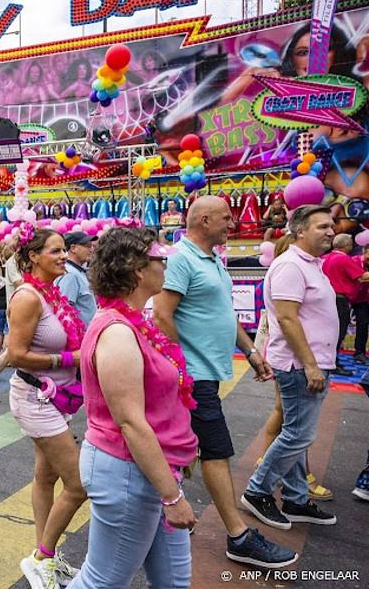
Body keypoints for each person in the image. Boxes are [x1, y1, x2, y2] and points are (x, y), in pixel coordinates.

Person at [152, 195, 296, 568]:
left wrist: (250, 351)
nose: (232, 224)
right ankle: (238, 536)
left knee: (182, 447)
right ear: (203, 222)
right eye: (226, 218)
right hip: (193, 378)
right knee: (216, 449)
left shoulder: (213, 258)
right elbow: (163, 316)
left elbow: (223, 314)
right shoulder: (181, 259)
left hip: (207, 373)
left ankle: (161, 514)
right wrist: (180, 367)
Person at [68, 227, 198, 588]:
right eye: (160, 259)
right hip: (126, 471)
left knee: (174, 579)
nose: (166, 266)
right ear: (137, 268)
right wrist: (171, 497)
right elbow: (130, 422)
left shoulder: (135, 324)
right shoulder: (117, 332)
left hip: (152, 466)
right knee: (104, 580)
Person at [241, 205, 339, 530]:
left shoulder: (311, 265)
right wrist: (310, 365)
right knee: (299, 434)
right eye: (322, 226)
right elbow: (286, 317)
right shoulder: (291, 267)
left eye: (331, 225)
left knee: (296, 433)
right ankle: (257, 491)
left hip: (310, 363)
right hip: (300, 365)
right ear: (299, 231)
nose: (330, 230)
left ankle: (296, 498)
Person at [6, 228, 87, 588]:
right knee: (78, 484)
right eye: (55, 250)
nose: (63, 255)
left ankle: (46, 559)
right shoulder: (27, 298)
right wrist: (69, 357)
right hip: (35, 398)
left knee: (46, 477)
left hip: (57, 398)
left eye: (64, 250)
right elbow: (16, 356)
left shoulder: (51, 293)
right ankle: (41, 557)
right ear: (34, 256)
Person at [321, 234, 369, 376]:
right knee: (338, 332)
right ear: (347, 246)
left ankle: (329, 361)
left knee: (329, 331)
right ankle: (332, 363)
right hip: (339, 299)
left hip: (326, 298)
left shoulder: (324, 258)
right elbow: (362, 277)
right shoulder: (343, 258)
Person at [0, 239, 24, 402]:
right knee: (13, 349)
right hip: (17, 310)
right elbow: (20, 283)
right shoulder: (12, 262)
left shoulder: (27, 261)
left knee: (17, 348)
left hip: (29, 309)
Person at [58, 232, 96, 326]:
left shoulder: (77, 271)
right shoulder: (70, 274)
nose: (91, 250)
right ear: (73, 248)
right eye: (87, 246)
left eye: (92, 246)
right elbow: (65, 312)